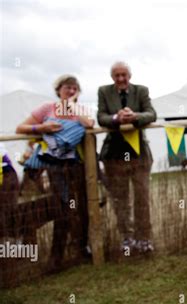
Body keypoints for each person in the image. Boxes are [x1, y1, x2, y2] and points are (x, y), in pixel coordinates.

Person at [16, 74, 94, 271]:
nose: (71, 90)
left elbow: (89, 124)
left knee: (82, 208)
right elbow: (20, 128)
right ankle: (55, 259)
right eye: (67, 87)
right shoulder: (47, 108)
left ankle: (79, 250)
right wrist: (42, 127)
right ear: (58, 89)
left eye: (75, 88)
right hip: (53, 167)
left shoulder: (82, 110)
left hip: (77, 166)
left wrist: (73, 106)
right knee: (63, 208)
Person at [97, 62, 157, 253]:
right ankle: (126, 238)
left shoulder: (141, 91)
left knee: (142, 198)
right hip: (114, 155)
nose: (121, 79)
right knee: (120, 199)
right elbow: (101, 117)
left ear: (130, 75)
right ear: (112, 77)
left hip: (139, 154)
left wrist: (134, 116)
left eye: (124, 75)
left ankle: (144, 238)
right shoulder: (104, 92)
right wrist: (116, 118)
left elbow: (152, 114)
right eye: (116, 75)